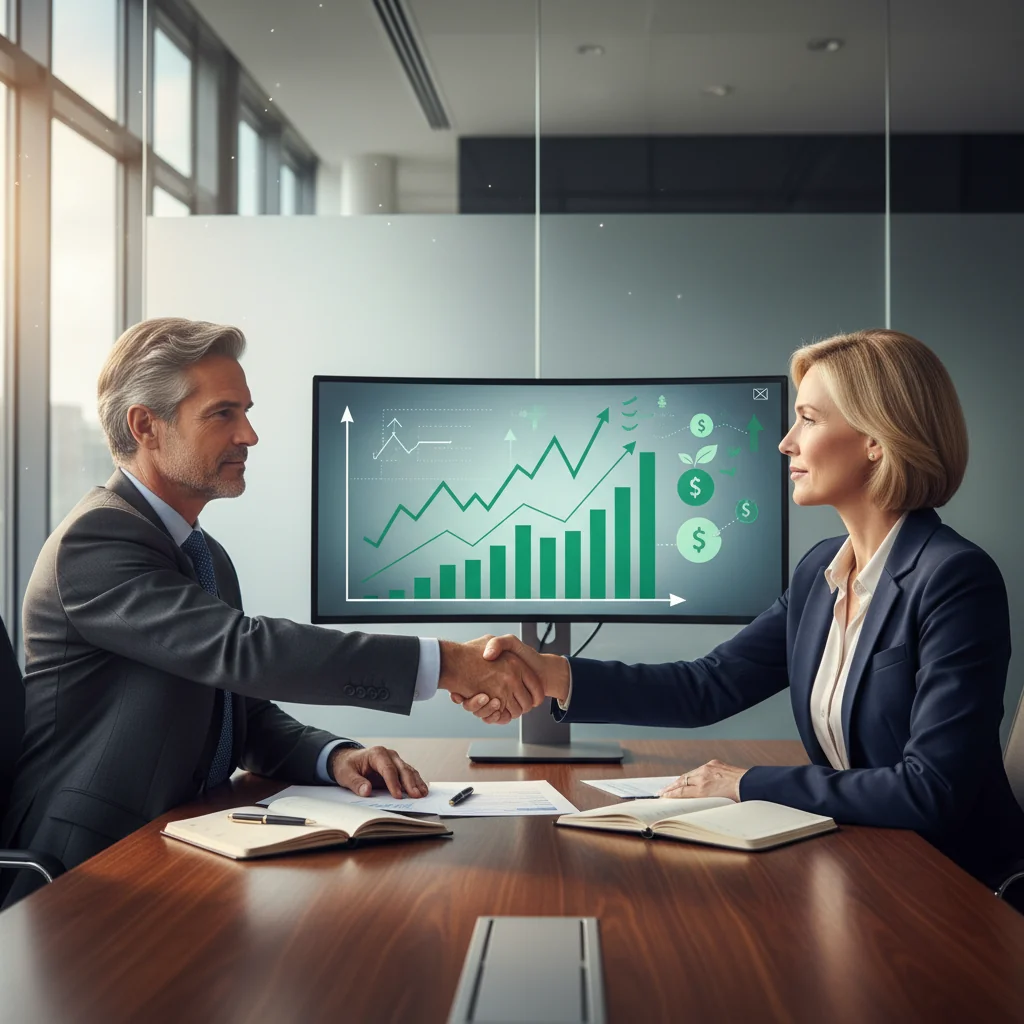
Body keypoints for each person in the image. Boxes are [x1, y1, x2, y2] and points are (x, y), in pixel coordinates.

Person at [1, 318, 541, 907]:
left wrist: (336, 757)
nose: (250, 435)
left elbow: (242, 713)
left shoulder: (203, 555)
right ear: (145, 425)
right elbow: (245, 650)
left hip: (181, 845)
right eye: (222, 414)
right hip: (90, 870)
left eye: (246, 412)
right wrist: (445, 663)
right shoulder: (97, 541)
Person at [462, 330, 1024, 891]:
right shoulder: (820, 572)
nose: (786, 442)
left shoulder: (953, 579)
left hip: (957, 886)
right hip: (869, 859)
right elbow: (708, 686)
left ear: (876, 439)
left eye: (808, 418)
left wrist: (747, 782)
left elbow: (931, 791)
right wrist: (551, 674)